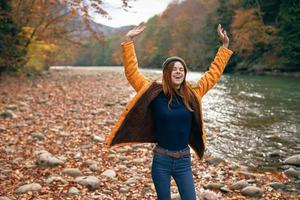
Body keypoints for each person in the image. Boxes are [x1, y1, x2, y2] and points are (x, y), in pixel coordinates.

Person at [104, 22, 233, 200]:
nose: (178, 72)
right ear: (166, 73)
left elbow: (213, 74)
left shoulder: (194, 93)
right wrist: (128, 41)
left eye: (181, 69)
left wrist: (224, 47)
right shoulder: (153, 92)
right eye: (174, 69)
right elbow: (132, 72)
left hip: (183, 162)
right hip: (161, 161)